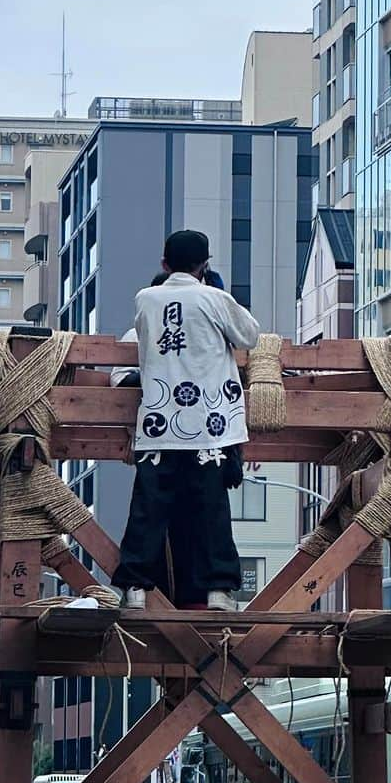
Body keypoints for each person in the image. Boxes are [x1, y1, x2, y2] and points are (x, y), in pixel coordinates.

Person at [112, 229, 260, 611]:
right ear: (205, 265)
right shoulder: (214, 298)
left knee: (148, 509)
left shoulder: (145, 300)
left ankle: (134, 586)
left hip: (160, 422)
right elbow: (249, 336)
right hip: (208, 424)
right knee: (212, 509)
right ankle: (219, 590)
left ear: (164, 264)